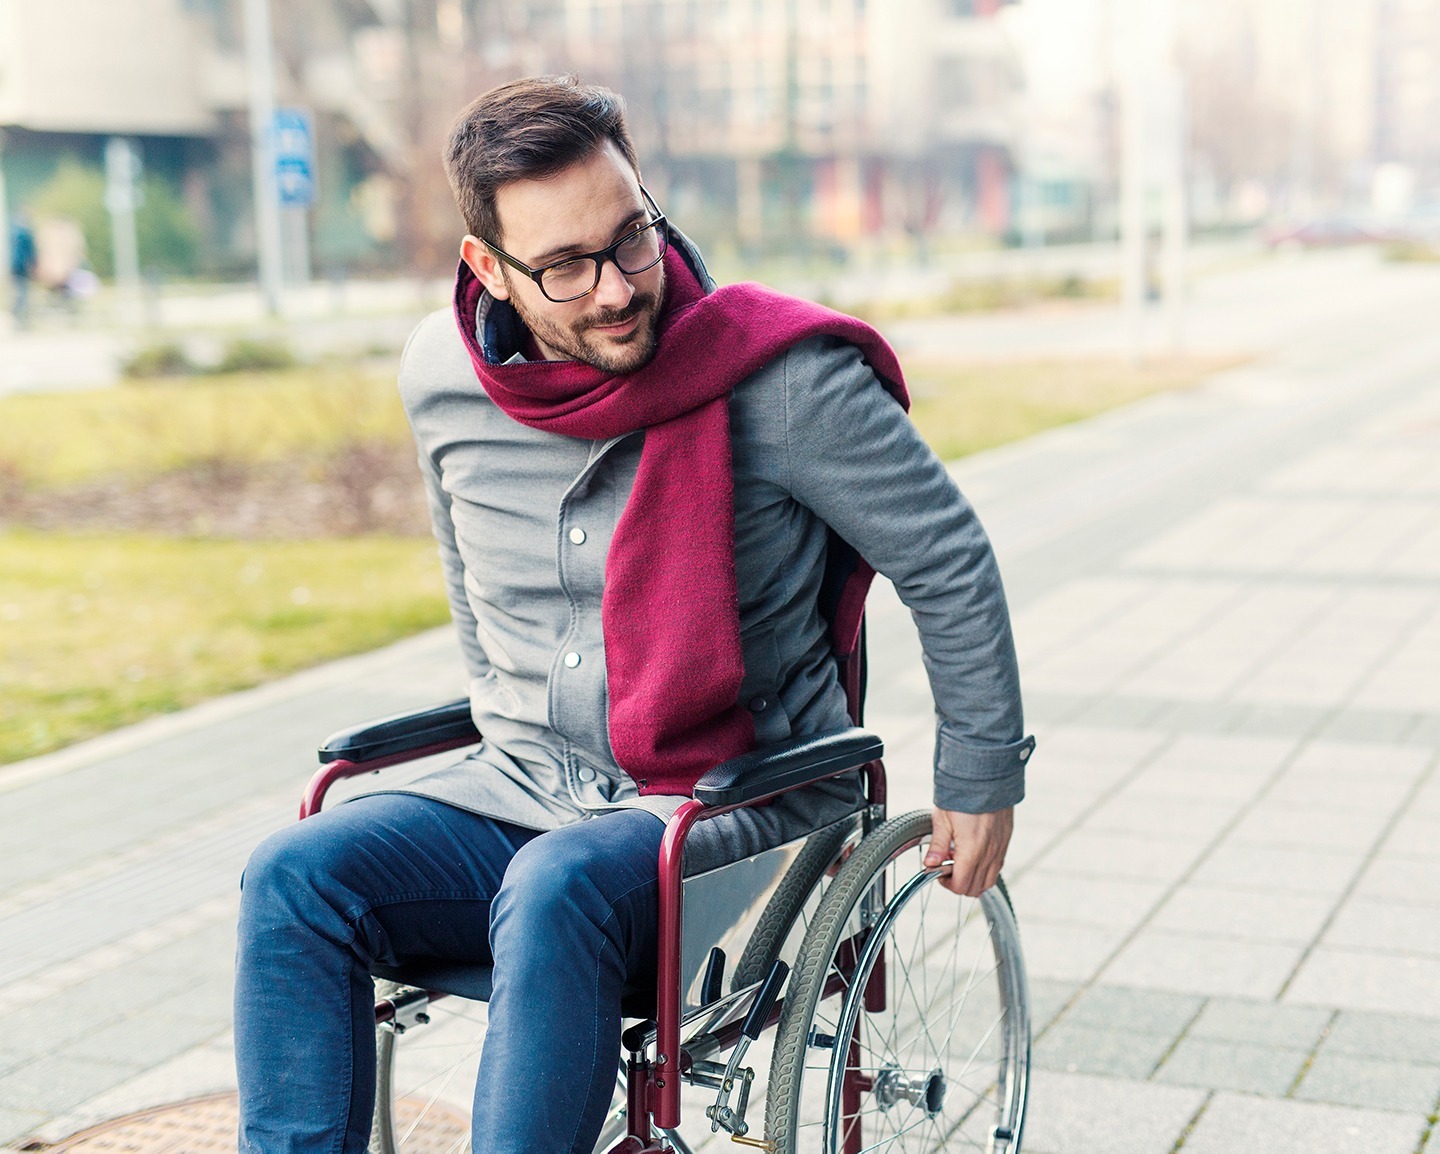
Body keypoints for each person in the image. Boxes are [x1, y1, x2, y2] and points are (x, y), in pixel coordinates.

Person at [234, 75, 1033, 1154]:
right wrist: (513, 710)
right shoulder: (439, 376)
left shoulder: (784, 382)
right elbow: (476, 589)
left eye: (631, 239)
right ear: (489, 269)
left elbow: (946, 556)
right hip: (521, 787)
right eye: (564, 266)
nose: (616, 290)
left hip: (726, 802)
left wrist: (980, 775)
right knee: (297, 872)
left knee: (556, 883)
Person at [9, 211, 37, 327]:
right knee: (23, 292)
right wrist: (34, 264)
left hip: (16, 266)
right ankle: (21, 317)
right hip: (23, 267)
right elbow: (31, 252)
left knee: (20, 291)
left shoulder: (13, 233)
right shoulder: (26, 234)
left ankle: (18, 314)